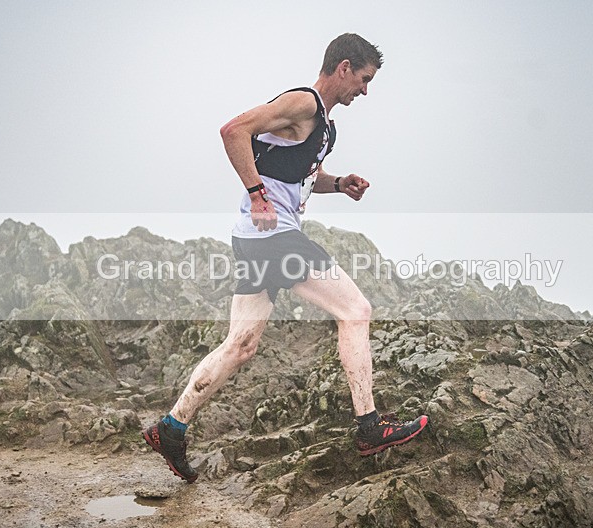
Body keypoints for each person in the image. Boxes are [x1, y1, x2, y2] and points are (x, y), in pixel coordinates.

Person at [142, 33, 428, 482]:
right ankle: (370, 427)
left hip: (253, 240)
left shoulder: (326, 126)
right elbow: (233, 131)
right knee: (356, 311)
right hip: (274, 237)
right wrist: (257, 195)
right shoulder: (304, 103)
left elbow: (296, 174)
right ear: (344, 67)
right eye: (365, 80)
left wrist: (339, 184)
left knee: (240, 345)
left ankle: (171, 428)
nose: (365, 91)